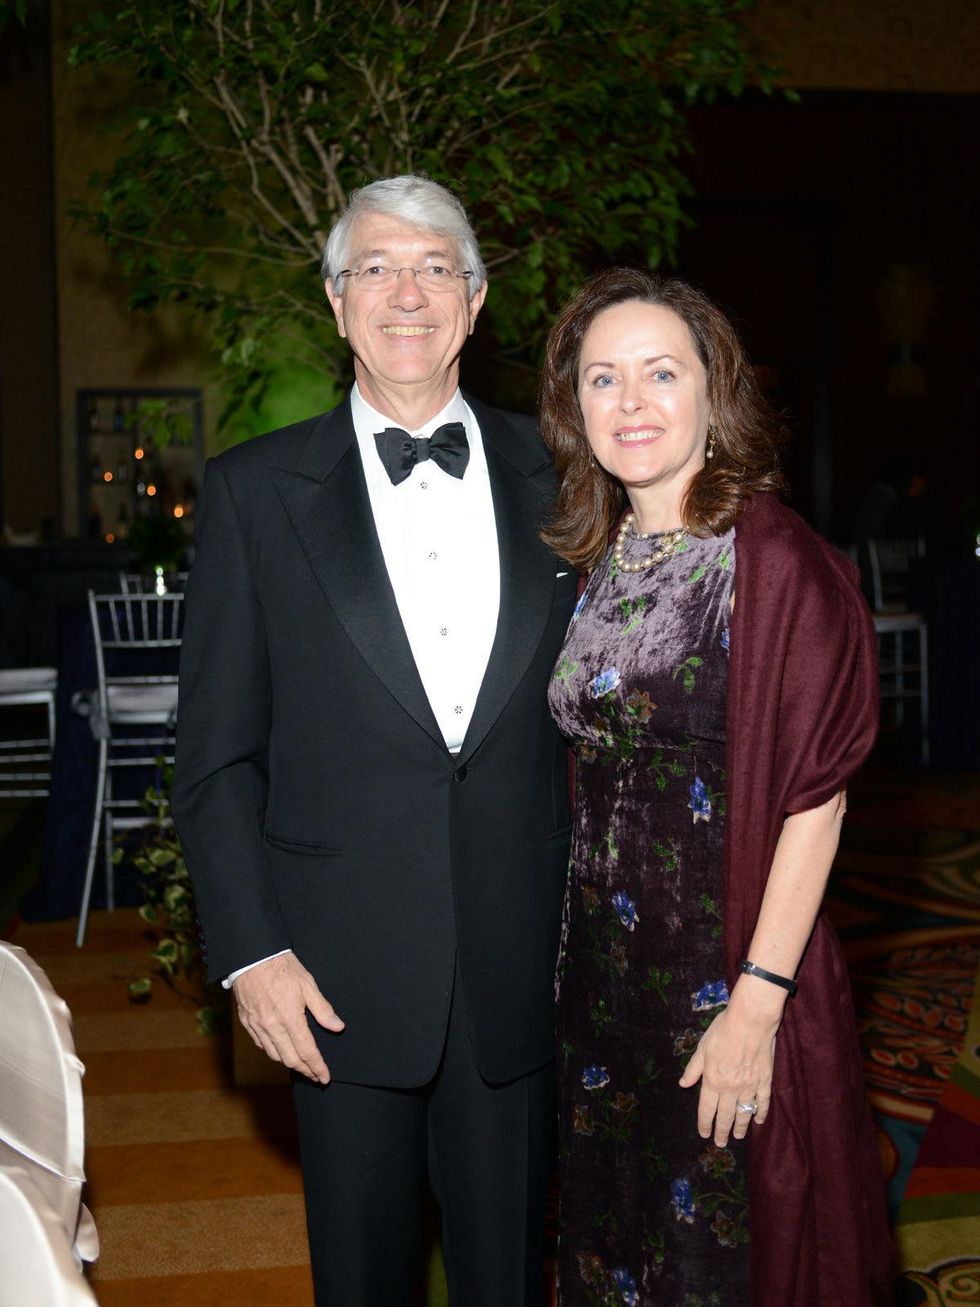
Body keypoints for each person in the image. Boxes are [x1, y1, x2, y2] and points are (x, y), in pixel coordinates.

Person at [172, 175, 579, 1306]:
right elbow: (213, 753)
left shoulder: (566, 476)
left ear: (477, 296)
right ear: (336, 300)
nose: (406, 293)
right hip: (332, 976)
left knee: (511, 1277)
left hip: (519, 961)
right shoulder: (254, 492)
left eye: (434, 267)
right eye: (375, 270)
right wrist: (251, 950)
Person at [539, 268, 893, 1306]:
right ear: (575, 409)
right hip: (602, 987)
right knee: (618, 1246)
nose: (631, 401)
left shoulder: (777, 561)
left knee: (722, 1261)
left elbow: (813, 800)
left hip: (720, 980)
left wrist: (756, 1003)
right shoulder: (598, 559)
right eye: (602, 378)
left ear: (712, 391)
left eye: (660, 372)